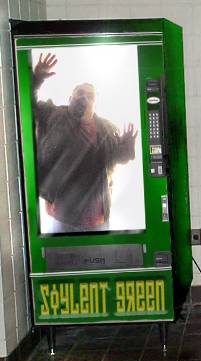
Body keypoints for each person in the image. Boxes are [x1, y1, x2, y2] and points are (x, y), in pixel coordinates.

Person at [32, 52, 138, 233]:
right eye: (80, 93)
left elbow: (117, 158)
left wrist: (127, 149)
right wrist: (36, 78)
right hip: (63, 216)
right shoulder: (52, 114)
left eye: (90, 95)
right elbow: (28, 104)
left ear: (95, 103)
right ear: (70, 98)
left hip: (99, 219)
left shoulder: (107, 128)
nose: (84, 97)